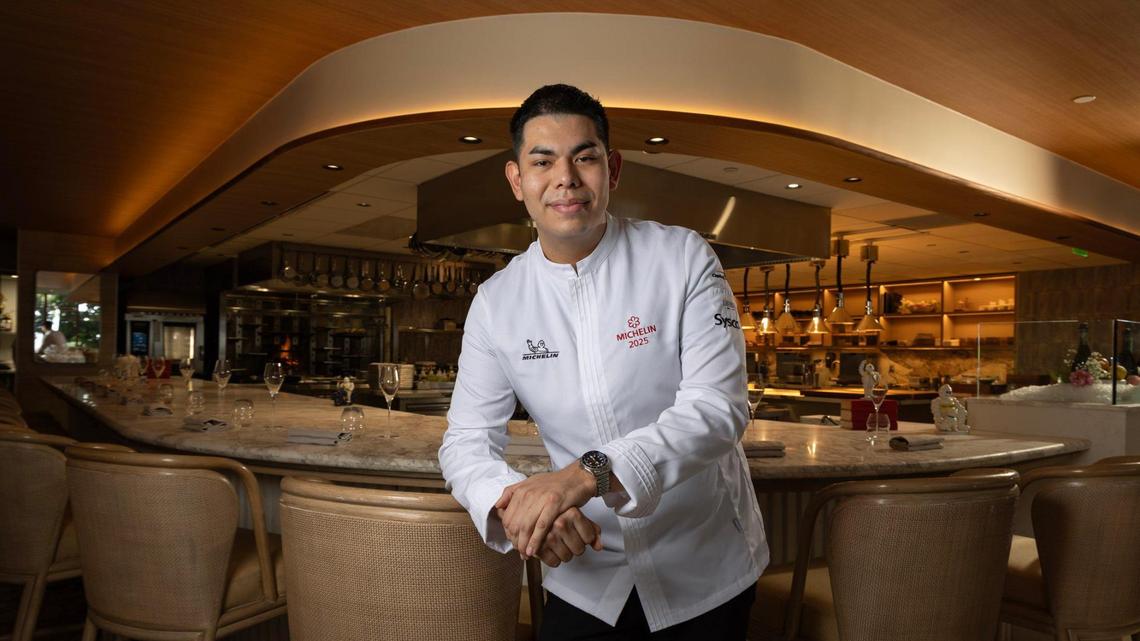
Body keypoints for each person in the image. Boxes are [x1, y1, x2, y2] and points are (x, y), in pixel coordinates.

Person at [439, 84, 767, 640]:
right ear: (517, 180)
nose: (565, 177)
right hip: (583, 569)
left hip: (704, 569)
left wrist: (582, 476)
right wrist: (520, 504)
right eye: (542, 161)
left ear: (611, 169)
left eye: (584, 157)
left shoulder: (682, 258)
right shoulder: (497, 301)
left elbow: (716, 408)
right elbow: (466, 440)